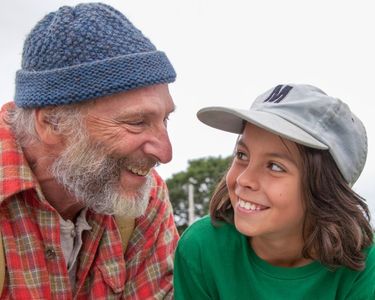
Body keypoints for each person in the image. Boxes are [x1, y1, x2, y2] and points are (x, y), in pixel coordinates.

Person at [0, 3, 179, 299]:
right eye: (137, 122)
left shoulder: (144, 198)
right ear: (52, 123)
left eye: (165, 119)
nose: (165, 152)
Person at [174, 84, 375, 299]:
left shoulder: (365, 265)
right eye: (242, 155)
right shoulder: (203, 247)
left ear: (326, 189)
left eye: (275, 166)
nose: (244, 179)